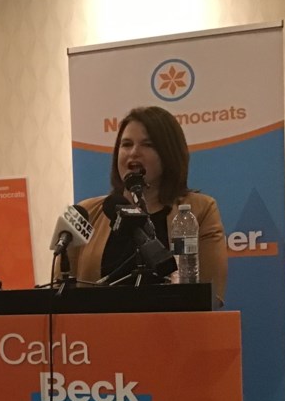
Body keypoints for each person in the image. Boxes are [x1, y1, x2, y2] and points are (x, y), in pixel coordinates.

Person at [63, 106, 228, 306]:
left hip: (175, 332)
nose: (133, 153)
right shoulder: (87, 212)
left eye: (147, 145)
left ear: (169, 153)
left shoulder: (200, 209)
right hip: (95, 334)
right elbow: (61, 295)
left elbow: (211, 294)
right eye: (126, 144)